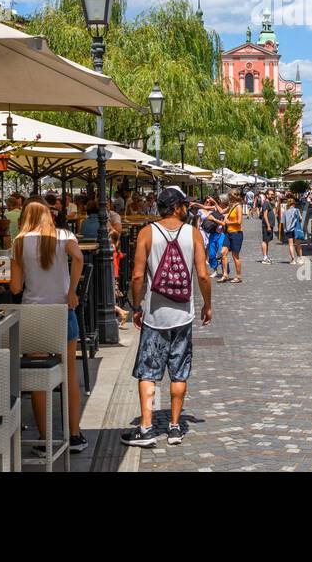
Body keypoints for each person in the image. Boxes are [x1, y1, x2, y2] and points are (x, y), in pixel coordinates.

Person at [121, 186, 212, 448]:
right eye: (184, 205)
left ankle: (146, 428)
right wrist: (207, 305)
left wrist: (136, 306)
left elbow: (137, 276)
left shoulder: (147, 232)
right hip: (183, 314)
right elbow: (203, 275)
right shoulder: (192, 233)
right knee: (179, 372)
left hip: (154, 315)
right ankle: (174, 427)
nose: (186, 209)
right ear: (175, 207)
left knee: (148, 373)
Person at [9, 199, 87, 453]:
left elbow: (15, 288)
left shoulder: (19, 242)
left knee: (39, 379)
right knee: (70, 375)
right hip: (62, 310)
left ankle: (45, 440)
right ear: (48, 215)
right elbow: (79, 257)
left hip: (34, 314)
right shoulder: (63, 235)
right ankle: (74, 435)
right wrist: (71, 291)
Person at [283, 195, 304, 265]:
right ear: (294, 204)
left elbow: (284, 223)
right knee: (298, 244)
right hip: (296, 229)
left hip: (288, 230)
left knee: (290, 245)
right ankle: (300, 258)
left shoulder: (285, 212)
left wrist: (284, 230)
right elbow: (300, 219)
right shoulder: (297, 210)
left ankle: (293, 260)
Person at [259, 190, 277, 265]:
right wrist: (268, 225)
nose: (272, 196)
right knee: (265, 241)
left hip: (269, 225)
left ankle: (266, 256)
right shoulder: (266, 203)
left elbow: (274, 212)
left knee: (267, 241)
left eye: (273, 194)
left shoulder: (269, 203)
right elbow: (265, 215)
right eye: (271, 194)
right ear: (267, 195)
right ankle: (264, 257)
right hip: (266, 225)